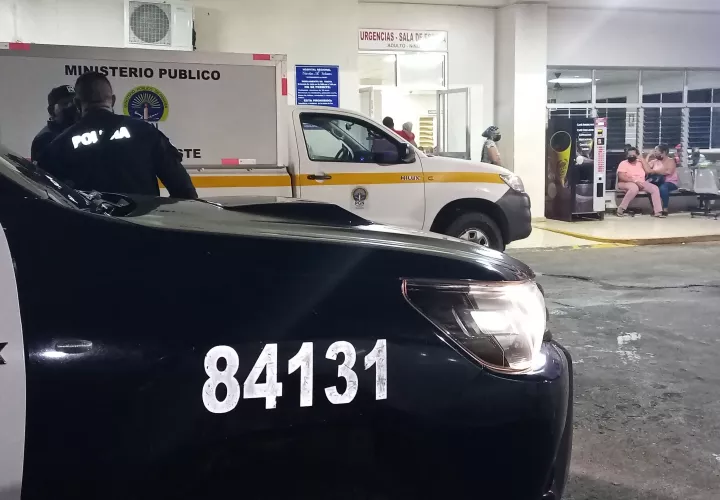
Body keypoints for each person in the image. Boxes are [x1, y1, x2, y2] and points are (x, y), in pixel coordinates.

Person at [39, 72, 197, 199]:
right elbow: (183, 189)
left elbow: (49, 198)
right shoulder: (145, 132)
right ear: (113, 100)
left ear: (77, 103)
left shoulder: (60, 145)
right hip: (143, 226)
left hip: (90, 227)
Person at [31, 85, 78, 162]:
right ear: (51, 110)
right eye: (65, 103)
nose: (71, 106)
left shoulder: (82, 130)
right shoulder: (44, 139)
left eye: (74, 102)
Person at [616, 147, 664, 217]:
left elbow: (648, 171)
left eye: (633, 155)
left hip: (641, 182)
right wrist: (635, 181)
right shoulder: (623, 163)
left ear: (637, 155)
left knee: (655, 188)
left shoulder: (640, 162)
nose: (631, 156)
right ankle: (621, 208)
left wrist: (642, 159)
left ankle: (657, 211)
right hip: (625, 182)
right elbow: (621, 177)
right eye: (629, 155)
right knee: (634, 188)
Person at [647, 144, 679, 216]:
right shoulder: (654, 161)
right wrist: (648, 156)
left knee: (663, 187)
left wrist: (654, 171)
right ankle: (656, 209)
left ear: (663, 152)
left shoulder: (671, 161)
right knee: (651, 188)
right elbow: (646, 168)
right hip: (657, 182)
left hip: (670, 182)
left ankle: (665, 208)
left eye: (656, 151)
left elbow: (668, 172)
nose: (655, 153)